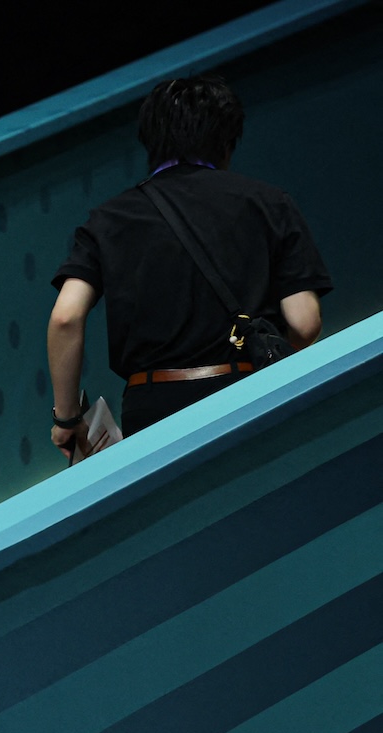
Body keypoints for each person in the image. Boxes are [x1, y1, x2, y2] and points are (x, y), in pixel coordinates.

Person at [48, 75, 331, 456]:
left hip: (152, 409)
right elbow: (304, 322)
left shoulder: (107, 219)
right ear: (227, 141)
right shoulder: (269, 203)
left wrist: (67, 420)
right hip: (247, 393)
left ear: (150, 140)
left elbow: (65, 318)